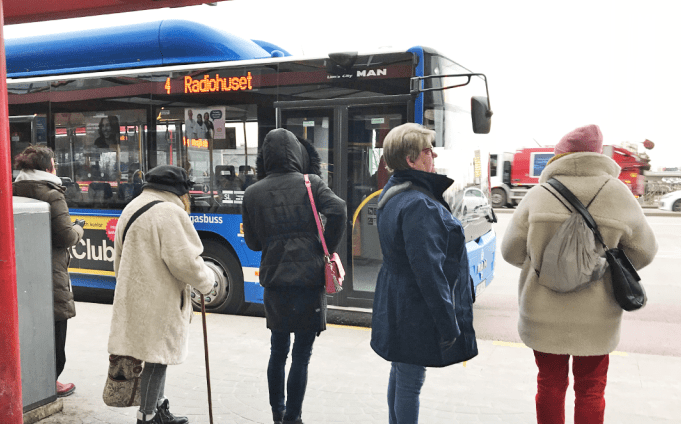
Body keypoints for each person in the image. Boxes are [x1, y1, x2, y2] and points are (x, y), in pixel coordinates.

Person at [501, 124, 658, 424]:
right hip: (597, 318)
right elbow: (645, 251)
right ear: (598, 156)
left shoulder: (538, 195)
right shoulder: (619, 194)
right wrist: (602, 266)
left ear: (559, 157)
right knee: (591, 391)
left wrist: (545, 261)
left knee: (549, 385)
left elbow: (511, 252)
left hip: (542, 314)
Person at [370, 123, 478, 424]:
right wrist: (448, 322)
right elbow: (429, 270)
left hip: (399, 297)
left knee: (402, 370)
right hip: (415, 306)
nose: (434, 155)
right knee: (410, 380)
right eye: (428, 150)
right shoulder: (419, 203)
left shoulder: (395, 191)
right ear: (410, 159)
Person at [241, 128, 346, 424]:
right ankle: (294, 418)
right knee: (301, 354)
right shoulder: (310, 183)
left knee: (278, 351)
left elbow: (253, 243)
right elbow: (338, 209)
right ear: (296, 153)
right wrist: (324, 245)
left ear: (265, 156)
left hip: (275, 281)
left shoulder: (253, 192)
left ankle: (278, 412)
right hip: (309, 280)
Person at [108, 165, 215, 424]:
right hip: (159, 299)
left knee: (155, 356)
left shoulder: (132, 207)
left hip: (135, 297)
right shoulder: (169, 212)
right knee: (157, 359)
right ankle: (148, 416)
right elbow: (185, 262)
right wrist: (207, 281)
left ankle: (157, 408)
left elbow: (118, 259)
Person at [11, 145, 85, 397]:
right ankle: (49, 383)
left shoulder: (13, 188)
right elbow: (66, 236)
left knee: (27, 327)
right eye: (54, 162)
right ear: (47, 167)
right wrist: (79, 228)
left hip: (21, 270)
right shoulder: (51, 194)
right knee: (56, 329)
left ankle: (28, 380)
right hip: (50, 272)